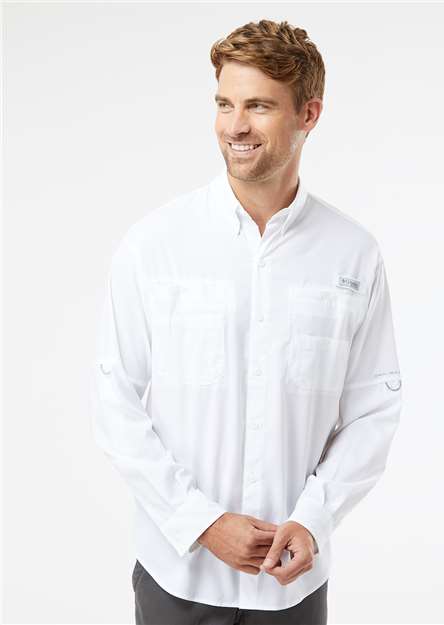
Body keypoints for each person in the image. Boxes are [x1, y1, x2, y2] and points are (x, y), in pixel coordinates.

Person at [90, 18, 403, 625]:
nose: (235, 126)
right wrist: (201, 522)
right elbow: (114, 400)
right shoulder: (155, 245)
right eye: (224, 104)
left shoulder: (353, 255)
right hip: (176, 577)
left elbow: (373, 410)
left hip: (291, 587)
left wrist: (314, 518)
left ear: (309, 114)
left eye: (259, 106)